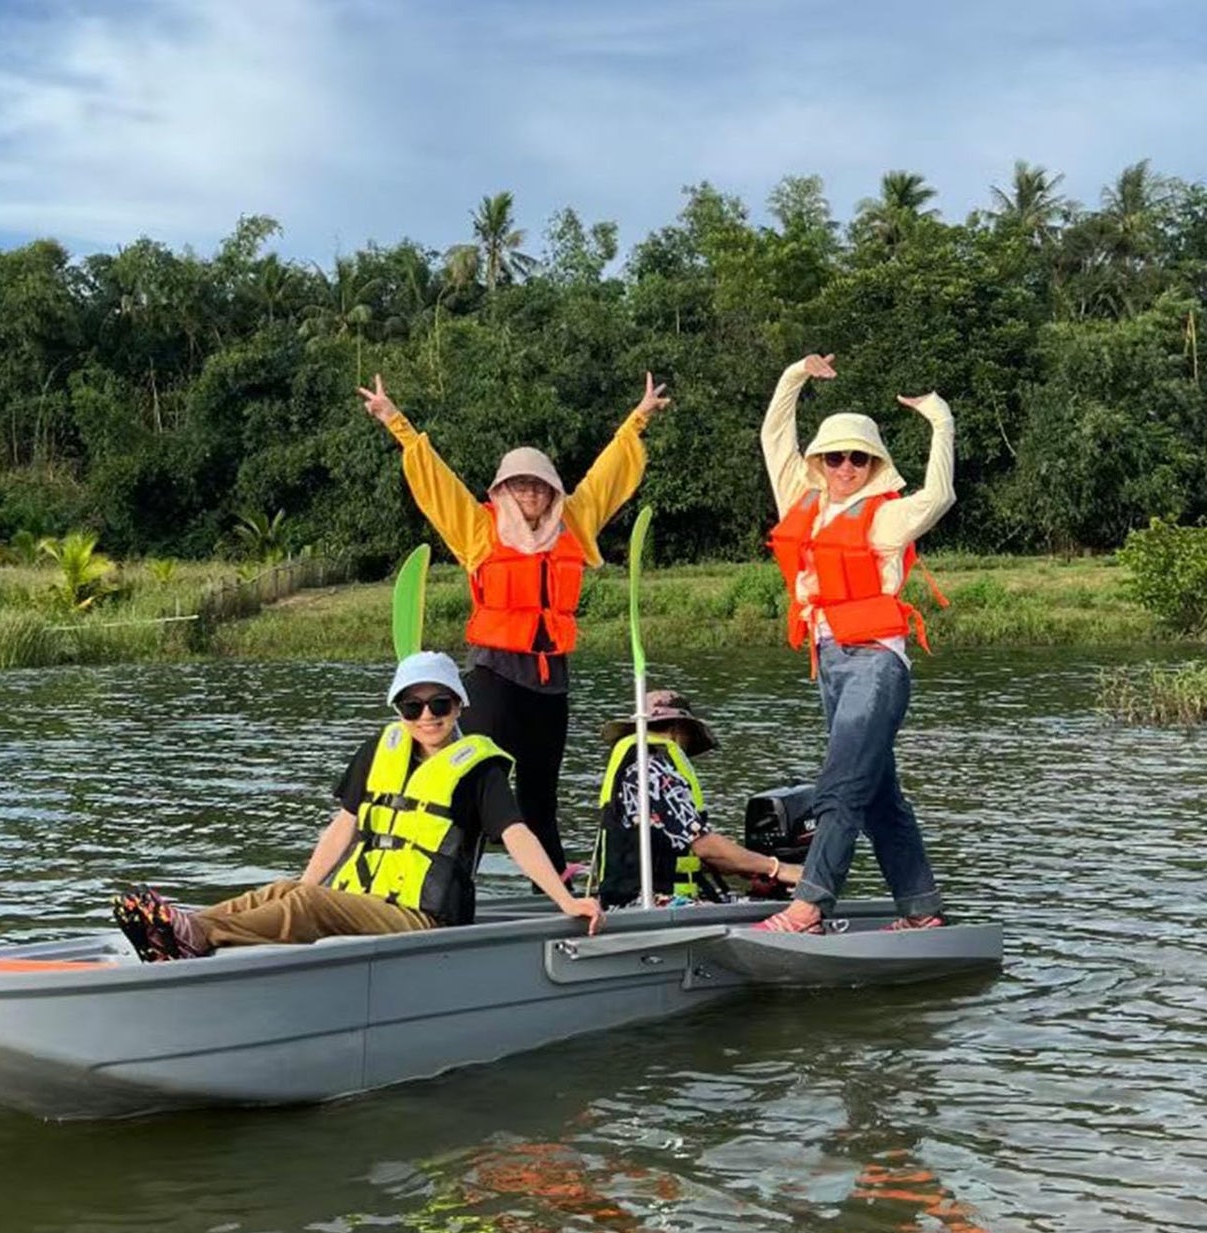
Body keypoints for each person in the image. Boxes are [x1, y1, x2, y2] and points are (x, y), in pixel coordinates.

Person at [358, 372, 671, 875]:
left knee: (541, 787)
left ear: (551, 493)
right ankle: (443, 875)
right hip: (495, 673)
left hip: (550, 678)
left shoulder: (574, 521)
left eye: (538, 485)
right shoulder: (479, 528)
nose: (529, 493)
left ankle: (549, 880)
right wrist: (396, 422)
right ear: (504, 490)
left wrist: (638, 420)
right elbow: (436, 484)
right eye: (519, 484)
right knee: (477, 776)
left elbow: (607, 476)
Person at [111, 650, 603, 960]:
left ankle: (195, 933)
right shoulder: (381, 750)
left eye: (440, 705)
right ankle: (179, 929)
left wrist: (565, 901)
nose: (427, 717)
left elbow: (518, 835)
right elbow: (342, 828)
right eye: (413, 707)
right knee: (289, 890)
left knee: (308, 902)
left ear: (458, 706)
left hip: (424, 916)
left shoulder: (479, 768)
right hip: (368, 899)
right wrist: (296, 893)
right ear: (399, 711)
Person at [756, 351, 955, 935]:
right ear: (821, 460)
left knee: (840, 785)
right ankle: (922, 913)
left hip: (875, 664)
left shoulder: (886, 518)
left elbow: (939, 495)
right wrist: (794, 374)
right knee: (878, 797)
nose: (846, 466)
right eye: (836, 456)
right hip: (831, 664)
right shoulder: (803, 499)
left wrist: (940, 421)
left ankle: (810, 907)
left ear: (874, 464)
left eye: (858, 458)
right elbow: (773, 434)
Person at [591, 689, 804, 908]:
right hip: (647, 903)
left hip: (622, 900)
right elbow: (703, 845)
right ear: (677, 730)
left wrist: (747, 865)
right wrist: (778, 869)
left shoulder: (634, 764)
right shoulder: (653, 771)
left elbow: (686, 851)